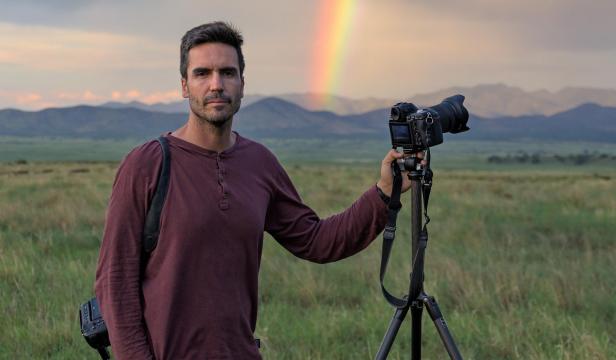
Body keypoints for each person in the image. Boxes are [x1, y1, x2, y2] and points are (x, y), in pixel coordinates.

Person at [95, 21, 419, 359]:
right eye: (202, 73)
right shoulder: (147, 165)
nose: (216, 85)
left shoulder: (259, 163)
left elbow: (317, 240)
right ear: (184, 86)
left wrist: (384, 191)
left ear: (242, 84)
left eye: (227, 73)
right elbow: (115, 280)